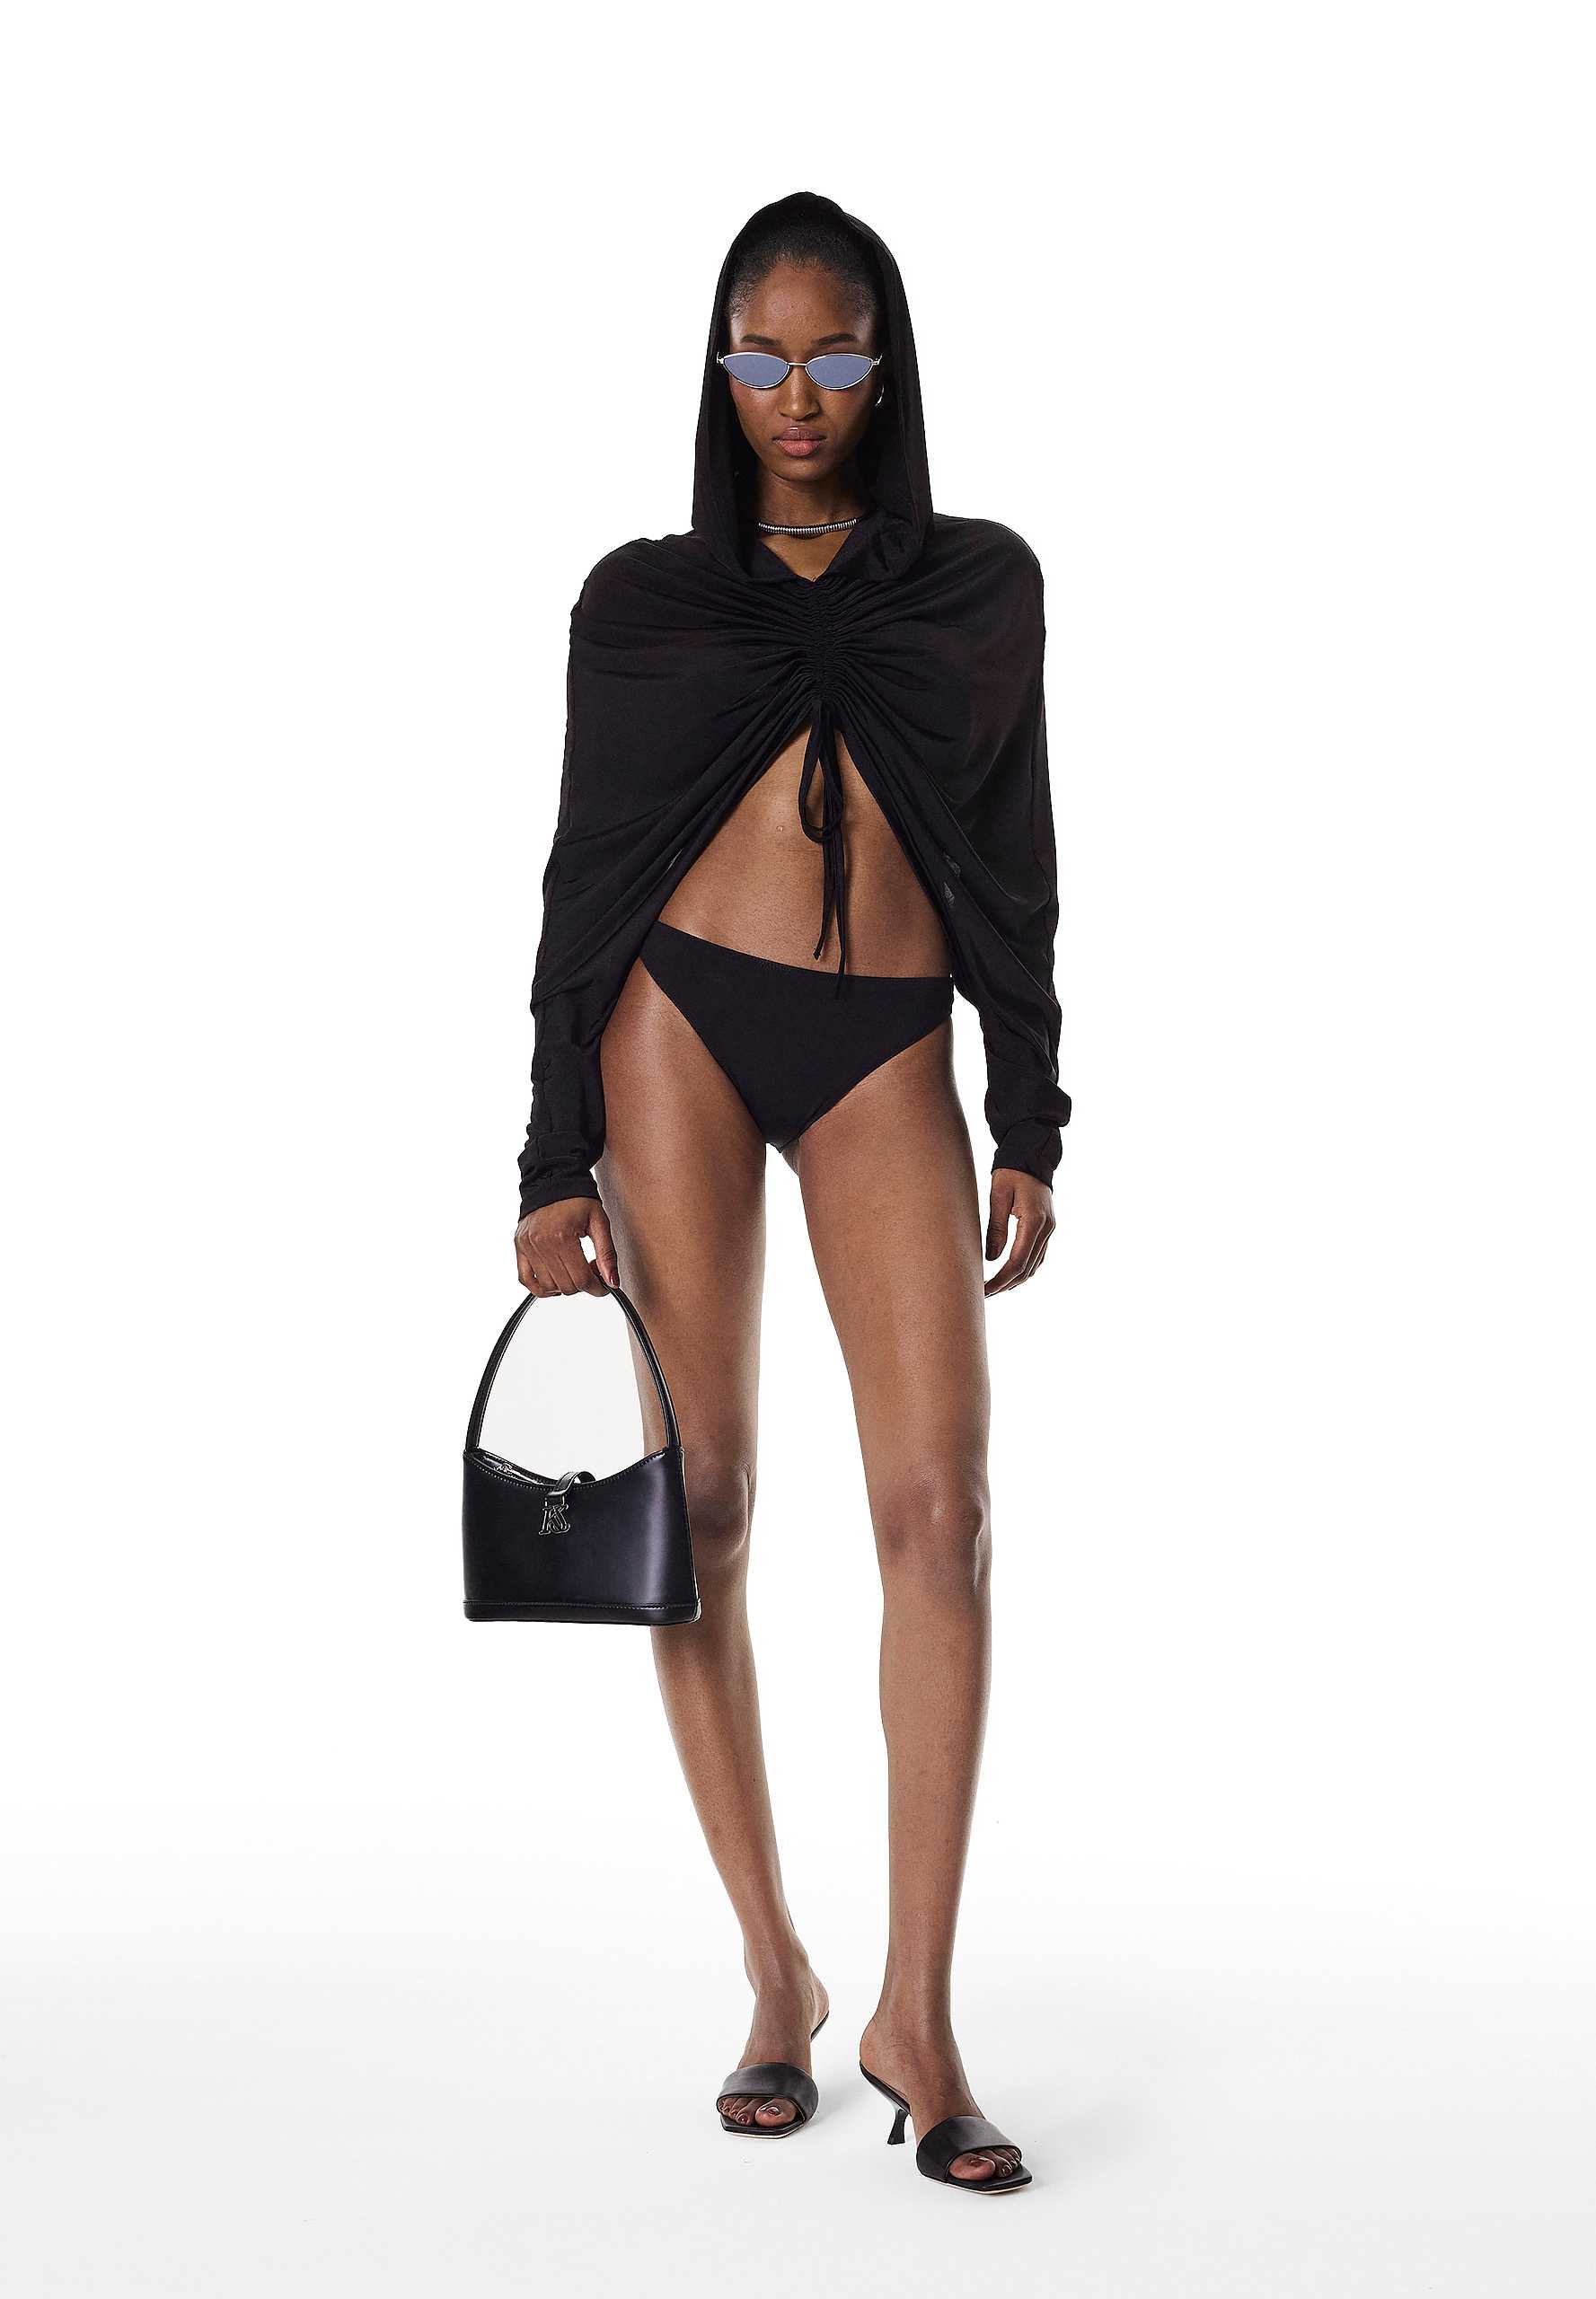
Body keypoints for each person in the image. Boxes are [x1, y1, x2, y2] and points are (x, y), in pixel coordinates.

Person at [512, 191, 1069, 2195]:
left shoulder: (978, 585)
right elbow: (585, 870)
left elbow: (1013, 848)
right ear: (718, 369)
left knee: (941, 1512)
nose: (798, 394)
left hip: (884, 1039)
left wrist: (1030, 1109)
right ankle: (775, 1971)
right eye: (761, 356)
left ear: (884, 367)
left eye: (834, 355)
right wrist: (547, 1155)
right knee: (712, 1506)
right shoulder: (642, 600)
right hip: (673, 1017)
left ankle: (921, 2012)